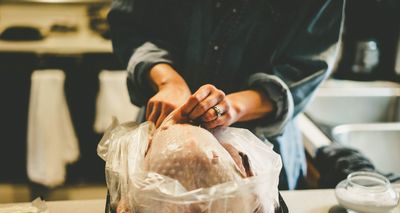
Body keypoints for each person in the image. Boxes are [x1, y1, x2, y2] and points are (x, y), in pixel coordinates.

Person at [108, 0, 345, 190]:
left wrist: (233, 107)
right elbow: (130, 28)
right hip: (166, 125)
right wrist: (170, 81)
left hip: (258, 145)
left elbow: (307, 66)